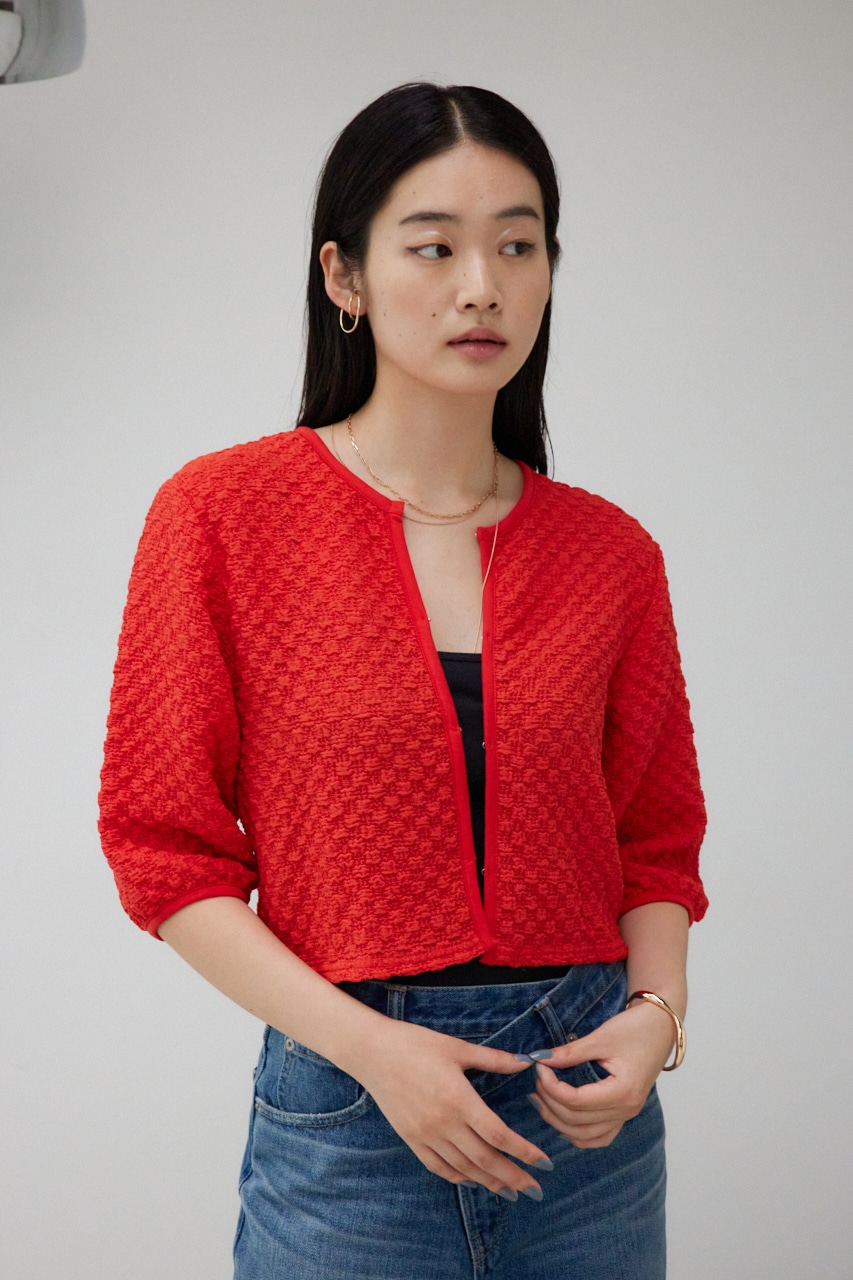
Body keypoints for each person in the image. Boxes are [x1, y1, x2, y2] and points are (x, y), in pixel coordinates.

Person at [98, 82, 707, 1280]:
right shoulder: (221, 517)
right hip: (350, 1118)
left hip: (587, 1122)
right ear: (345, 276)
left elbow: (655, 840)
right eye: (433, 246)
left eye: (517, 245)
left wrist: (654, 1017)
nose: (481, 284)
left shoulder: (611, 552)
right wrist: (374, 1050)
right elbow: (162, 849)